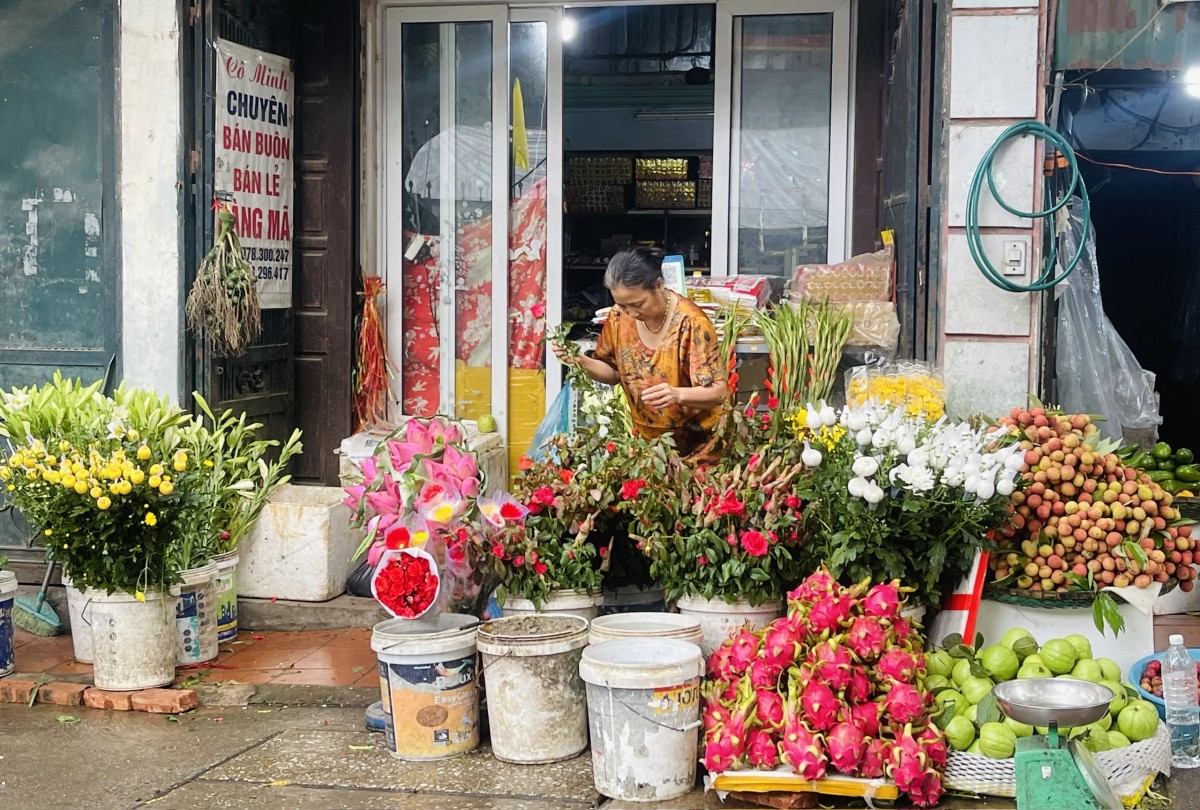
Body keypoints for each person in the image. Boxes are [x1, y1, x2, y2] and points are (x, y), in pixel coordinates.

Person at [553, 247, 730, 458]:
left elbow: (718, 392)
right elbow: (613, 373)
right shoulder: (619, 318)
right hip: (648, 449)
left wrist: (676, 394)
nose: (632, 313)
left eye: (638, 304)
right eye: (622, 305)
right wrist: (580, 361)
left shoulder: (692, 323)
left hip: (701, 447)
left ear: (659, 285)